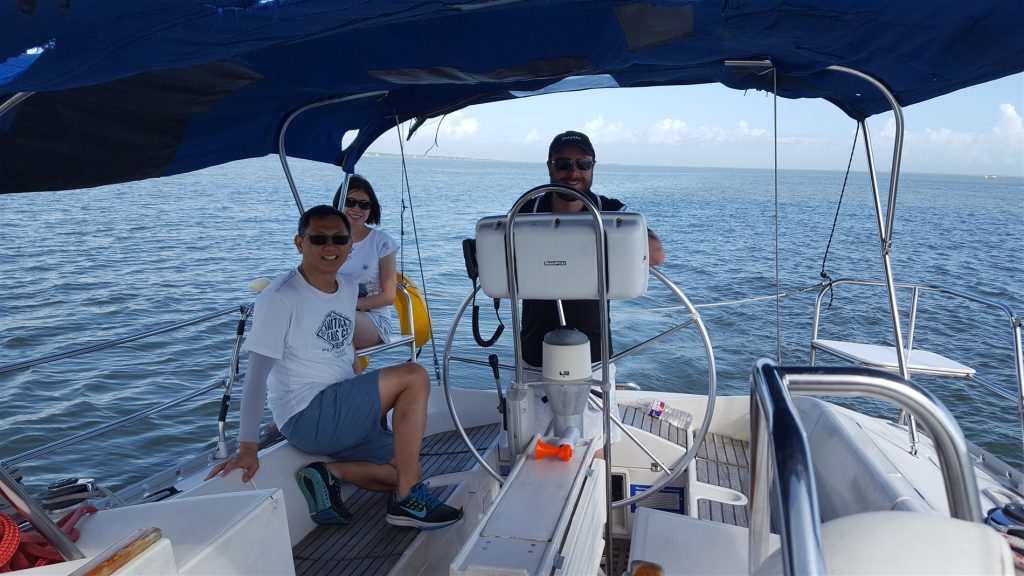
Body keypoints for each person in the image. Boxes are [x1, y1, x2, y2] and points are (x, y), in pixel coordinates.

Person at [206, 205, 461, 530]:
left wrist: (365, 400)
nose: (330, 247)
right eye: (319, 238)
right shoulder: (279, 299)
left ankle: (331, 474)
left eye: (339, 238)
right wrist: (247, 447)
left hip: (341, 412)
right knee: (415, 376)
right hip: (307, 414)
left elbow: (345, 348)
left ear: (350, 245)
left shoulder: (347, 287)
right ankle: (407, 502)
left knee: (405, 468)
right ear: (300, 243)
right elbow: (255, 378)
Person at [520, 131, 666, 449]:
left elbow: (656, 254)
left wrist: (591, 239)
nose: (573, 172)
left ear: (593, 167)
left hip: (594, 357)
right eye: (564, 163)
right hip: (533, 356)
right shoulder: (526, 212)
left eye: (582, 163)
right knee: (530, 448)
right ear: (549, 167)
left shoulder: (611, 210)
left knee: (593, 447)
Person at [333, 175, 399, 349]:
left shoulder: (382, 242)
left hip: (373, 319)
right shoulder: (326, 241)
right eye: (350, 202)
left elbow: (388, 296)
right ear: (339, 203)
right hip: (332, 312)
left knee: (332, 321)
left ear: (372, 209)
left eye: (364, 204)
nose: (357, 208)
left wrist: (347, 304)